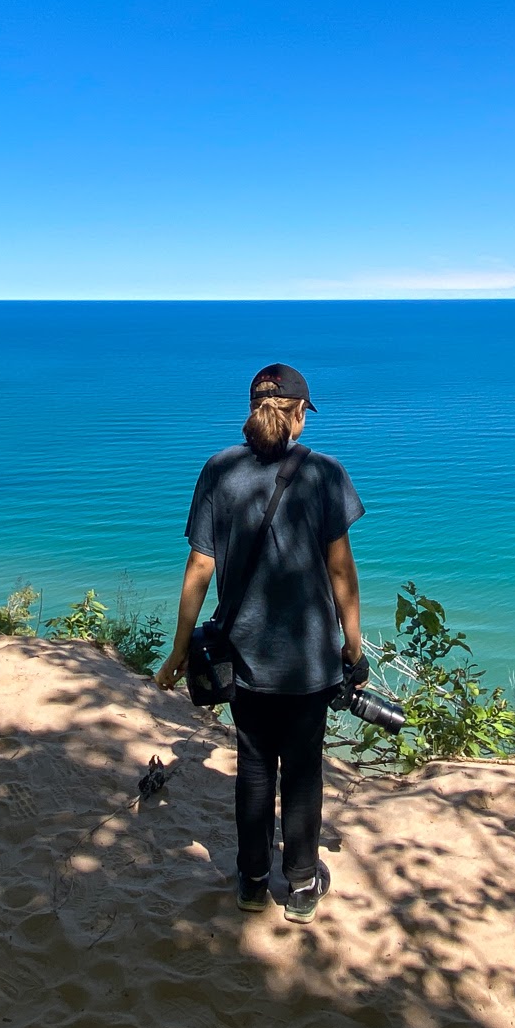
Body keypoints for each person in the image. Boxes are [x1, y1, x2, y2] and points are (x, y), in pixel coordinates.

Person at [156, 363, 363, 923]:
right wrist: (354, 642)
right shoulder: (325, 473)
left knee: (253, 766)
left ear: (252, 409)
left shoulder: (219, 471)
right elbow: (340, 570)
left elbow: (200, 565)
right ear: (298, 413)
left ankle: (250, 881)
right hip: (309, 657)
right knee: (301, 769)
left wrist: (179, 649)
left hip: (241, 655)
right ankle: (299, 884)